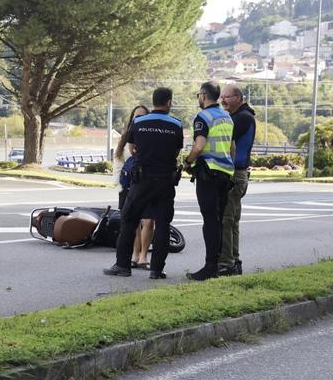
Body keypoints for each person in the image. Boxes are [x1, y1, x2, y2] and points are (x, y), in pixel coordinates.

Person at [104, 88, 183, 279]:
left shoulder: (139, 122)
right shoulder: (176, 124)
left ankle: (123, 265)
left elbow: (131, 147)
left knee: (129, 219)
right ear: (169, 102)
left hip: (142, 179)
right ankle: (156, 270)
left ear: (153, 101)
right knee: (163, 224)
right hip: (165, 180)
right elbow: (177, 150)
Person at [185, 81, 235, 281]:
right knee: (219, 220)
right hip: (225, 173)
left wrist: (187, 162)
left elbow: (198, 147)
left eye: (198, 95)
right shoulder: (227, 117)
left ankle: (210, 266)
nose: (198, 98)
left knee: (209, 221)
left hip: (208, 173)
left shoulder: (203, 117)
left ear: (204, 96)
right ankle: (218, 263)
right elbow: (232, 148)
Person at [219, 84, 256, 276]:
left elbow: (224, 140)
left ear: (239, 98)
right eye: (221, 97)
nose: (223, 100)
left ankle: (226, 263)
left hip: (235, 173)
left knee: (226, 220)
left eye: (227, 97)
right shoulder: (241, 116)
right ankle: (234, 260)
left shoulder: (241, 118)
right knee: (232, 221)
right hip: (239, 173)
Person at [112, 105, 154, 269]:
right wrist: (118, 185)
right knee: (132, 223)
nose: (139, 119)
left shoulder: (151, 138)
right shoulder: (126, 137)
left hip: (147, 185)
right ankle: (135, 255)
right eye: (136, 116)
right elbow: (118, 160)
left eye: (143, 116)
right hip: (128, 185)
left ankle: (144, 255)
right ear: (132, 118)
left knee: (149, 222)